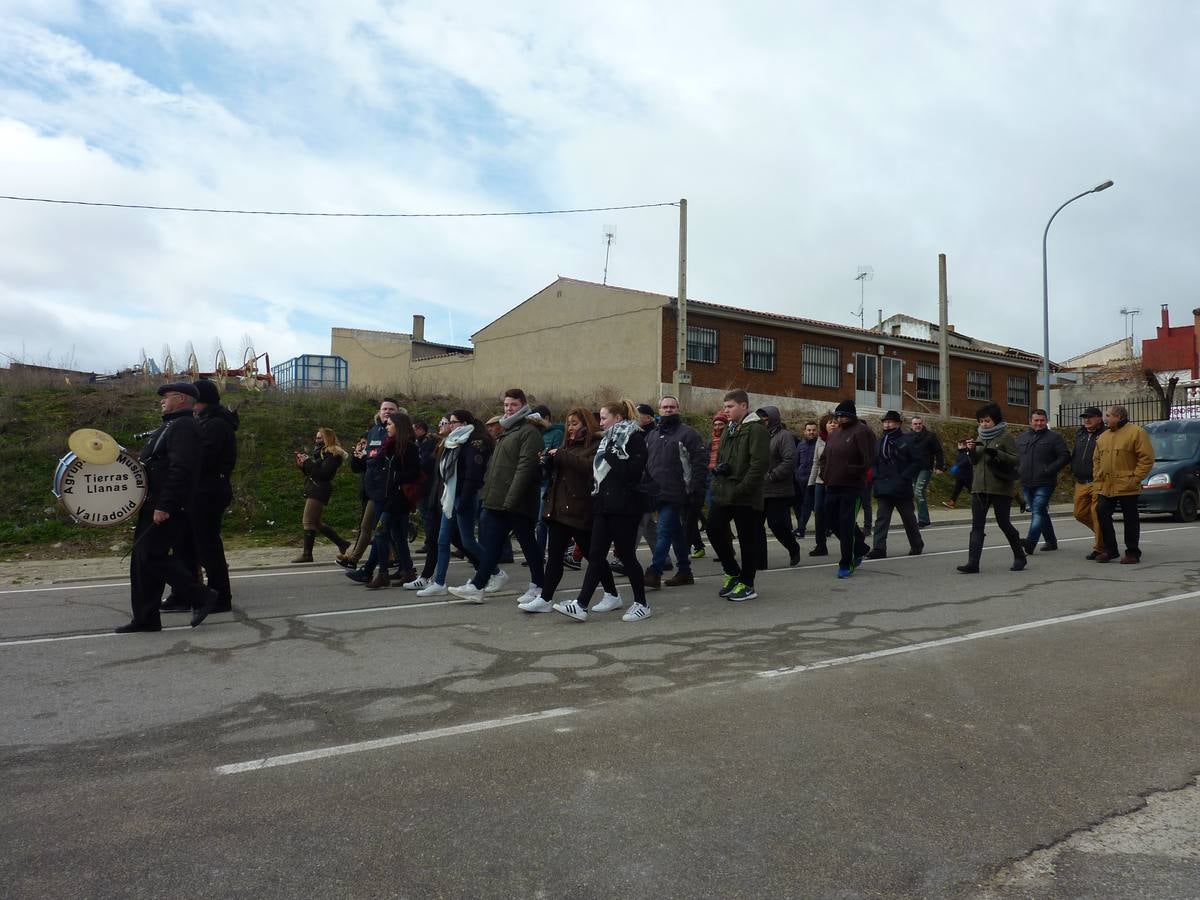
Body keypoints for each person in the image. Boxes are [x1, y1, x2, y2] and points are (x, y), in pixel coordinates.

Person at [116, 382, 218, 632]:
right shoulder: (171, 425)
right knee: (142, 561)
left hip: (167, 505)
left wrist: (166, 505)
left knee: (152, 557)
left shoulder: (184, 427)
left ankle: (201, 595)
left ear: (182, 399)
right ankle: (145, 618)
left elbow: (181, 470)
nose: (162, 400)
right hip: (153, 502)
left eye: (166, 396)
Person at [553, 400, 652, 622]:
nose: (601, 422)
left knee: (626, 556)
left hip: (625, 508)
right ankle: (581, 604)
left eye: (604, 418)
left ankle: (642, 604)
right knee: (596, 556)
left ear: (618, 418)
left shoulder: (635, 438)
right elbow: (598, 475)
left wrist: (612, 454)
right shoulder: (606, 440)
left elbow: (633, 474)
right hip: (604, 506)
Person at [449, 388, 546, 604]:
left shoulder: (529, 432)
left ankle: (538, 585)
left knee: (528, 544)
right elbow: (495, 468)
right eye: (506, 405)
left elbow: (525, 468)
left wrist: (511, 499)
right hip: (498, 500)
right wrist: (487, 494)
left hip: (517, 501)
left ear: (523, 405)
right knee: (491, 546)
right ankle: (477, 586)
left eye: (513, 405)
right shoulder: (507, 430)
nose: (508, 409)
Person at [522, 407, 622, 613]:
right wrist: (546, 462)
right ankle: (545, 598)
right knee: (555, 555)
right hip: (559, 508)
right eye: (568, 423)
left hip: (580, 508)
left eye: (574, 423)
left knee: (593, 556)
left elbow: (590, 468)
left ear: (586, 425)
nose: (570, 428)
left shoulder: (596, 444)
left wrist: (561, 456)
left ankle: (612, 594)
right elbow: (558, 473)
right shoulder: (566, 445)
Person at [161, 378, 239, 615]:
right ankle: (185, 593)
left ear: (199, 399)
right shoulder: (205, 421)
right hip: (197, 491)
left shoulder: (215, 425)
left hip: (208, 492)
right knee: (185, 544)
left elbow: (203, 458)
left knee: (207, 546)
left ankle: (220, 596)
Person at [417, 410, 492, 596]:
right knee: (442, 541)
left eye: (453, 422)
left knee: (468, 541)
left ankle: (494, 570)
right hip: (449, 497)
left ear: (464, 423)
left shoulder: (472, 443)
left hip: (464, 497)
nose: (450, 426)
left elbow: (472, 475)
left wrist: (465, 499)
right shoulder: (451, 442)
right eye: (449, 422)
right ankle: (439, 582)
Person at [706, 390, 769, 601]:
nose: (726, 411)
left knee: (747, 540)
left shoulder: (756, 429)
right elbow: (725, 458)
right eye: (725, 407)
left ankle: (747, 584)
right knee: (713, 529)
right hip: (725, 491)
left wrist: (743, 488)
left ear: (743, 406)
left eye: (730, 406)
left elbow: (758, 465)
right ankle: (733, 572)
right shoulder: (729, 429)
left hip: (745, 494)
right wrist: (719, 472)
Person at [642, 395, 707, 590]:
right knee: (676, 532)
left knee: (663, 531)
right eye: (665, 407)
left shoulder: (689, 434)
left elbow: (699, 462)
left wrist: (695, 489)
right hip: (655, 492)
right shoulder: (652, 435)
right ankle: (685, 571)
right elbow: (646, 464)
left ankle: (655, 571)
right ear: (659, 410)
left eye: (672, 407)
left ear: (678, 409)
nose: (668, 410)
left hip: (678, 492)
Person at [352, 411, 420, 589]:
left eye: (390, 424)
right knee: (398, 537)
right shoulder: (389, 446)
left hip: (399, 498)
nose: (387, 427)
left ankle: (383, 573)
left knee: (381, 532)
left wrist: (395, 476)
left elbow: (415, 473)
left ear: (399, 426)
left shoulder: (409, 447)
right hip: (388, 495)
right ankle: (408, 571)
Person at [957, 403, 1026, 574]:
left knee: (1004, 523)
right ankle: (973, 563)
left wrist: (999, 454)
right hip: (979, 488)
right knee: (977, 526)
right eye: (981, 421)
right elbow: (974, 462)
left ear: (995, 420)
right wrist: (971, 451)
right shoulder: (979, 436)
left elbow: (1016, 459)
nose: (984, 424)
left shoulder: (1005, 436)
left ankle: (1020, 557)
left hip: (1000, 487)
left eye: (987, 421)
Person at [338, 398, 401, 570]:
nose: (387, 412)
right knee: (374, 528)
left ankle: (375, 566)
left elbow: (384, 458)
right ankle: (394, 565)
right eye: (384, 409)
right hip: (371, 487)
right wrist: (361, 457)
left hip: (388, 489)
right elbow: (368, 460)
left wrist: (371, 457)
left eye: (391, 409)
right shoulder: (373, 431)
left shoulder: (400, 432)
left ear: (398, 412)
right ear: (379, 412)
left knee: (383, 530)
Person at [819, 401, 875, 578]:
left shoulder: (861, 431)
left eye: (843, 416)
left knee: (846, 524)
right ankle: (860, 548)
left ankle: (846, 562)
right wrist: (825, 473)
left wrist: (852, 470)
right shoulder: (835, 434)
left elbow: (869, 458)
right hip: (832, 484)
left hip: (852, 486)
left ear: (852, 415)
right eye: (838, 416)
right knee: (828, 519)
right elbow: (824, 457)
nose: (840, 419)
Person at [1092, 404, 1154, 564]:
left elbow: (1146, 458)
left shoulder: (1136, 432)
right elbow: (1096, 459)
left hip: (1127, 485)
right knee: (1102, 513)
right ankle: (1110, 549)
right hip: (1106, 485)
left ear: (1119, 417)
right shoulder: (1104, 436)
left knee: (1130, 519)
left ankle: (1132, 552)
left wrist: (1135, 478)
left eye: (1108, 415)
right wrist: (1098, 477)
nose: (1105, 418)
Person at [866, 411, 924, 559]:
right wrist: (876, 477)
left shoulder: (908, 440)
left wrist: (904, 476)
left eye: (890, 422)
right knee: (882, 518)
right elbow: (875, 462)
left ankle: (917, 544)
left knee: (908, 518)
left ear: (898, 424)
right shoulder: (879, 441)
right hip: (883, 485)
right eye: (885, 422)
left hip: (901, 486)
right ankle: (879, 548)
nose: (887, 424)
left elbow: (917, 461)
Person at [1015, 408, 1070, 554]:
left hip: (1045, 482)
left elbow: (1064, 456)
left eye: (1042, 420)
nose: (1039, 423)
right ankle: (1051, 541)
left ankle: (1030, 542)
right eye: (1036, 420)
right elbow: (1015, 457)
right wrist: (1017, 471)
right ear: (1030, 421)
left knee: (1038, 510)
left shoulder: (1054, 438)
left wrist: (1049, 469)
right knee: (1039, 512)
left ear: (1046, 421)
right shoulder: (1021, 438)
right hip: (1026, 481)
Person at [292, 427, 350, 563]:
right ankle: (342, 543)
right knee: (316, 523)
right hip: (316, 488)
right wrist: (303, 465)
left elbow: (324, 475)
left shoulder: (332, 455)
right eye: (316, 437)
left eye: (320, 438)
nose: (316, 440)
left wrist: (308, 463)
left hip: (319, 489)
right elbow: (313, 473)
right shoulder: (322, 454)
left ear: (327, 439)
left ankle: (307, 554)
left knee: (308, 521)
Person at [759, 405, 801, 567]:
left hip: (777, 489)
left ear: (773, 419)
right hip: (758, 490)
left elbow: (789, 460)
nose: (763, 420)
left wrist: (772, 476)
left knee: (776, 524)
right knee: (756, 526)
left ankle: (793, 547)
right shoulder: (758, 436)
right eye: (761, 418)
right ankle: (760, 561)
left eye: (766, 418)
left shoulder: (784, 436)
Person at [1071, 406, 1105, 559]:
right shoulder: (1080, 434)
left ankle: (1099, 548)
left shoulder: (1105, 434)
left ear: (1099, 418)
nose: (1086, 420)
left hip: (1097, 481)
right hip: (1080, 481)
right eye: (1084, 417)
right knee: (1079, 514)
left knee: (1096, 514)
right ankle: (1105, 534)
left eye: (1090, 417)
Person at [909, 416, 945, 527]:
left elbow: (938, 452)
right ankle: (921, 519)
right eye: (915, 424)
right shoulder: (907, 437)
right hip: (912, 469)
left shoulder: (930, 436)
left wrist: (939, 466)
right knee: (916, 493)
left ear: (922, 424)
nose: (917, 425)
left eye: (919, 423)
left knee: (918, 492)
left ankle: (923, 520)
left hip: (925, 468)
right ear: (912, 425)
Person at [807, 414, 832, 557]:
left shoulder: (842, 438)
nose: (833, 425)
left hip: (835, 482)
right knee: (819, 513)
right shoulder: (820, 440)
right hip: (820, 482)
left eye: (835, 422)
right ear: (824, 425)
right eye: (829, 422)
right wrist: (811, 483)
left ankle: (854, 540)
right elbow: (816, 463)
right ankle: (820, 545)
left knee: (835, 513)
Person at [792, 421, 819, 539]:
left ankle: (801, 529)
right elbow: (796, 463)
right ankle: (826, 527)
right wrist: (796, 475)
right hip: (800, 481)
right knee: (800, 506)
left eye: (813, 430)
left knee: (807, 505)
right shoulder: (800, 445)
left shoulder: (819, 444)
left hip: (812, 482)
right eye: (809, 430)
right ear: (804, 431)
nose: (811, 432)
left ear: (817, 431)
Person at [942, 440, 973, 509]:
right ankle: (952, 502)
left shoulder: (967, 452)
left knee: (971, 489)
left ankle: (981, 501)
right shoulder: (961, 453)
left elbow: (967, 460)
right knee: (957, 489)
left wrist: (958, 466)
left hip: (966, 475)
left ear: (964, 445)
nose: (958, 446)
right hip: (960, 475)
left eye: (960, 445)